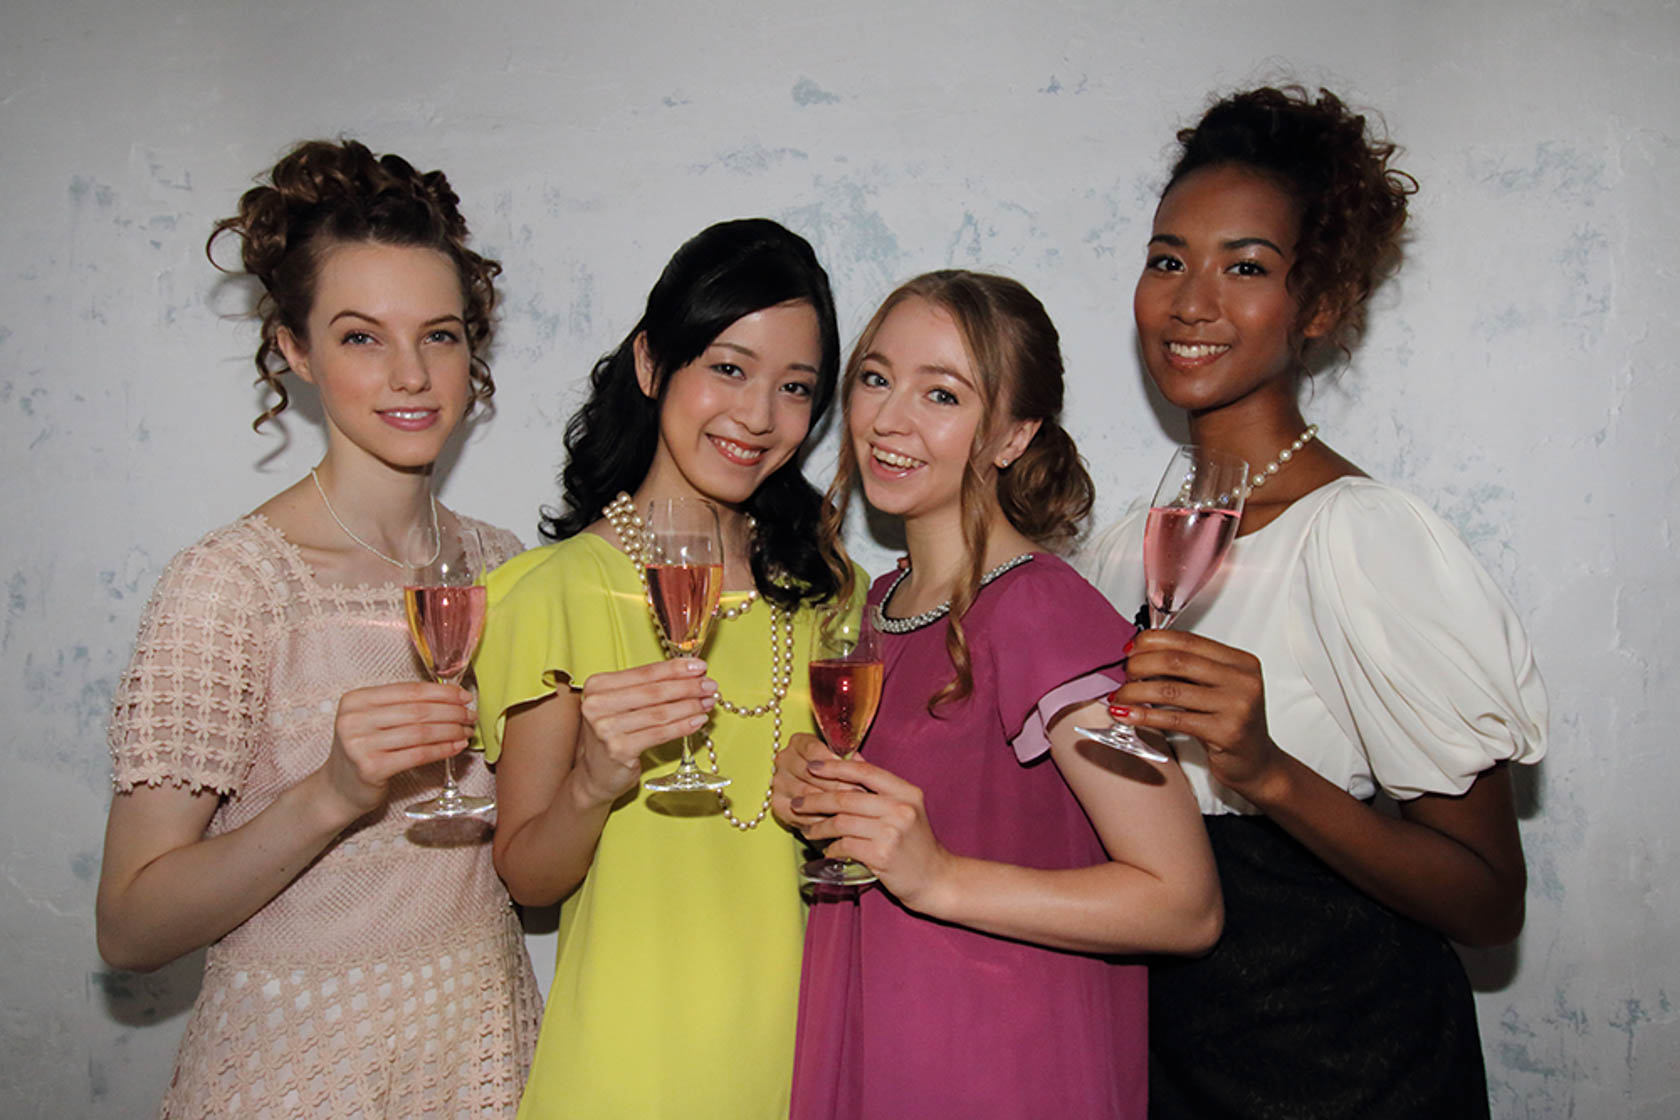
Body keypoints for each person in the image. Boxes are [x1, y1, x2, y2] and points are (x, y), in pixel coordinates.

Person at [1081, 86, 1549, 1118]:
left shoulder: (1362, 540)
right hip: (1167, 1072)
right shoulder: (1118, 555)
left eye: (1246, 266)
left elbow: (1487, 898)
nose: (1190, 301)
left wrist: (1268, 773)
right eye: (1169, 259)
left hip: (1351, 1075)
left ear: (1322, 305)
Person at [95, 139, 541, 1117]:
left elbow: (529, 872)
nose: (412, 374)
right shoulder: (234, 588)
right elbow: (129, 927)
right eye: (360, 337)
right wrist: (330, 794)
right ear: (294, 349)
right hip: (296, 1079)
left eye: (441, 334)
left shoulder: (504, 569)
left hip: (483, 1066)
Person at [773, 270, 1223, 1119]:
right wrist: (812, 793)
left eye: (941, 393)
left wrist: (939, 876)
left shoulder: (1042, 613)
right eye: (875, 378)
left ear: (1014, 435)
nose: (889, 419)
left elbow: (1183, 901)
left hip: (1004, 1068)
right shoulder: (878, 608)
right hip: (879, 1045)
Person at [475, 218, 855, 1119]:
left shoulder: (836, 596)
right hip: (626, 1071)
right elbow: (525, 877)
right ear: (652, 365)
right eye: (728, 367)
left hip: (808, 1059)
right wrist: (593, 783)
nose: (758, 416)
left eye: (794, 387)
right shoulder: (552, 594)